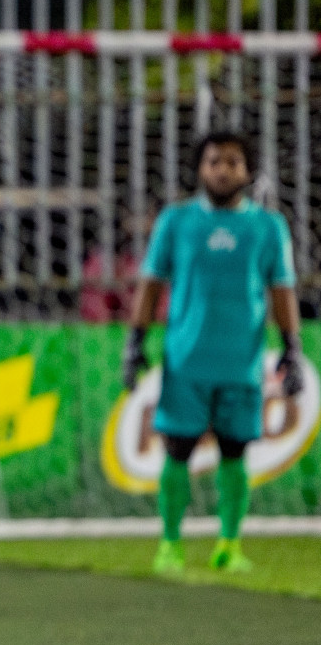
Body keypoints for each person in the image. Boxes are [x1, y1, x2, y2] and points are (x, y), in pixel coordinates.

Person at [122, 131, 304, 575]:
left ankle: (230, 543)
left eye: (233, 162)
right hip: (186, 362)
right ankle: (169, 544)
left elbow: (282, 291)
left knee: (235, 451)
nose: (223, 169)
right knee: (177, 450)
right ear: (199, 169)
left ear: (247, 171)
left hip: (242, 364)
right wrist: (134, 343)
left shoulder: (267, 227)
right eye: (214, 161)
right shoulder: (176, 221)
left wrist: (292, 349)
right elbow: (150, 284)